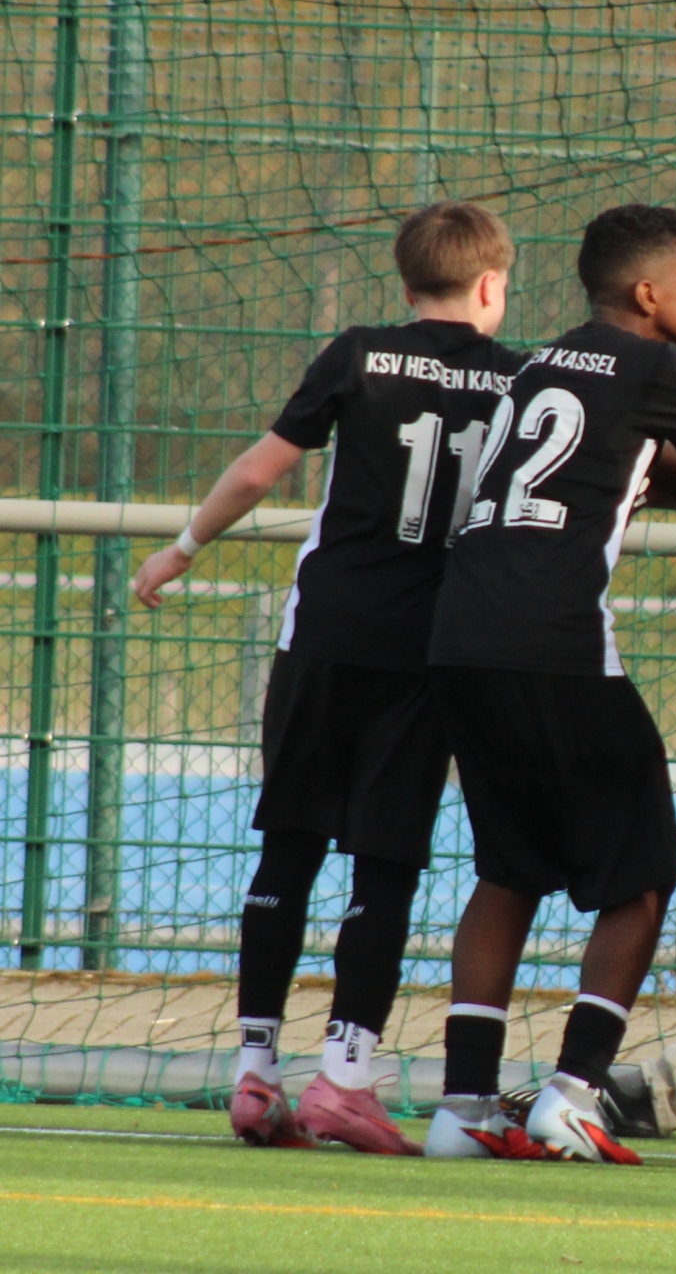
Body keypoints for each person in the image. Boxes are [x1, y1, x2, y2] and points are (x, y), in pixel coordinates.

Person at [130, 202, 520, 1155]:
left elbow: (260, 472)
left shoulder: (359, 353)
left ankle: (256, 1069)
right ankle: (347, 1074)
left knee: (289, 845)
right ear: (490, 284)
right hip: (429, 650)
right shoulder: (518, 379)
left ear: (406, 283)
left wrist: (184, 546)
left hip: (325, 635)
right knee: (385, 862)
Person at [421, 203, 676, 1163]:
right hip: (557, 643)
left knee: (508, 870)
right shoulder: (657, 368)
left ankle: (462, 1107)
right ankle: (573, 1091)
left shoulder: (541, 363)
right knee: (646, 873)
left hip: (460, 636)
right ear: (648, 293)